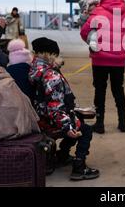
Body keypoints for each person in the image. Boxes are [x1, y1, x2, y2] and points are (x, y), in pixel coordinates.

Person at [29, 37, 99, 181]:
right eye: (57, 55)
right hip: (50, 122)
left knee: (76, 120)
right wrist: (67, 127)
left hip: (39, 118)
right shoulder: (51, 76)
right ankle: (79, 168)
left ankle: (62, 156)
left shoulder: (34, 70)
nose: (60, 58)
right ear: (50, 55)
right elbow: (55, 107)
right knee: (84, 130)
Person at [80, 0, 125, 134]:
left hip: (100, 59)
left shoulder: (98, 11)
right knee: (118, 89)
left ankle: (100, 123)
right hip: (119, 58)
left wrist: (91, 42)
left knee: (100, 90)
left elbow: (84, 32)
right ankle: (122, 122)